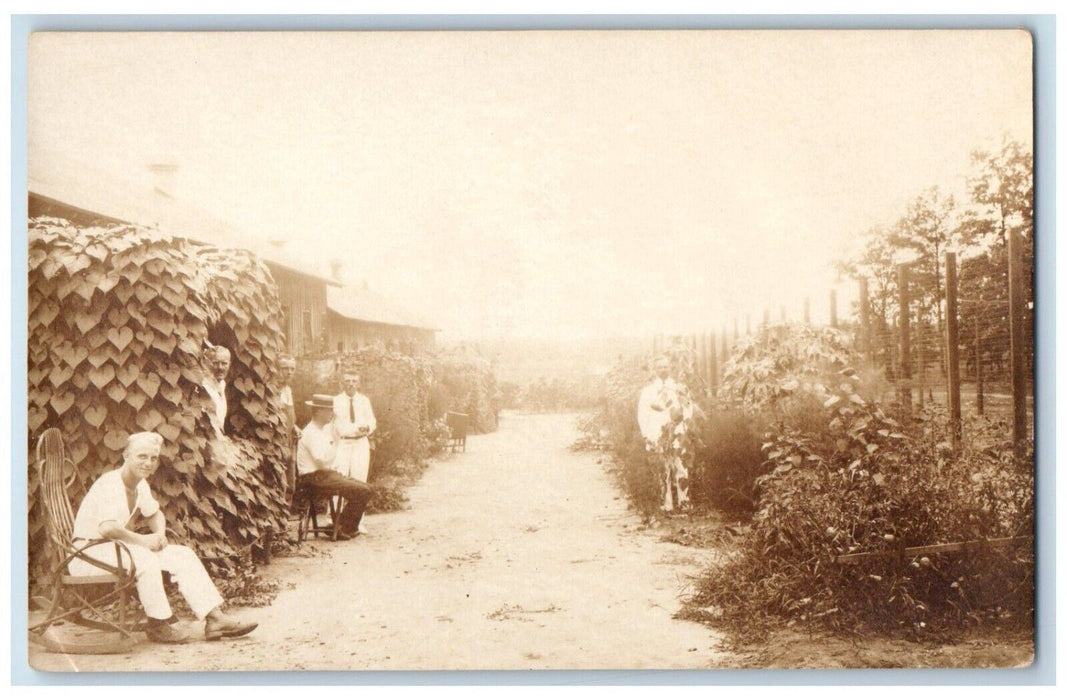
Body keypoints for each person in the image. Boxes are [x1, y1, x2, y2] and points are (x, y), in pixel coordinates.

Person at [68, 432, 258, 643]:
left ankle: (215, 619)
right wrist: (144, 541)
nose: (148, 463)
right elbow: (108, 528)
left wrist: (159, 534)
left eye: (153, 458)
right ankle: (158, 624)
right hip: (87, 554)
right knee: (144, 557)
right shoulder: (110, 484)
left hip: (113, 549)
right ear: (126, 455)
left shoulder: (139, 484)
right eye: (142, 456)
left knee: (182, 554)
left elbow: (154, 513)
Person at [297, 394, 373, 541]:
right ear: (318, 411)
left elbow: (326, 461)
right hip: (313, 477)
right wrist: (337, 444)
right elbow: (322, 460)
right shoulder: (310, 432)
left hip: (323, 475)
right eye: (329, 410)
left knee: (366, 489)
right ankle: (342, 527)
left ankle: (340, 526)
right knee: (363, 490)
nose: (332, 414)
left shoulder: (321, 430)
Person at [637, 355, 695, 513]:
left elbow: (688, 409)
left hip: (677, 434)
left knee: (681, 466)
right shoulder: (648, 391)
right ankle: (667, 505)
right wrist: (647, 436)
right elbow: (642, 415)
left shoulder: (679, 389)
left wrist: (683, 428)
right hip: (658, 434)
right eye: (660, 367)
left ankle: (684, 502)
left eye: (666, 366)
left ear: (670, 368)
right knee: (664, 469)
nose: (663, 369)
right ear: (655, 370)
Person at [332, 372, 376, 483]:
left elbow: (372, 420)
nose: (351, 384)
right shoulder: (336, 401)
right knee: (339, 479)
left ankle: (356, 501)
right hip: (342, 444)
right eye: (348, 381)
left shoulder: (364, 400)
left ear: (358, 384)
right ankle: (338, 501)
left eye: (354, 381)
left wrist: (367, 427)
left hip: (360, 444)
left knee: (359, 480)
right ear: (342, 383)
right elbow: (332, 424)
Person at [279, 355, 301, 500]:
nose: (289, 372)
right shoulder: (273, 390)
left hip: (290, 444)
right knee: (281, 485)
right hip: (278, 444)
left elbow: (289, 416)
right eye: (285, 368)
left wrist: (294, 426)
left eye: (292, 369)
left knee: (291, 486)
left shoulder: (288, 390)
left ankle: (285, 521)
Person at [201, 345, 231, 436]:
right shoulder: (202, 387)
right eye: (215, 363)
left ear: (229, 364)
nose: (220, 368)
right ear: (206, 364)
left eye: (224, 363)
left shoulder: (222, 384)